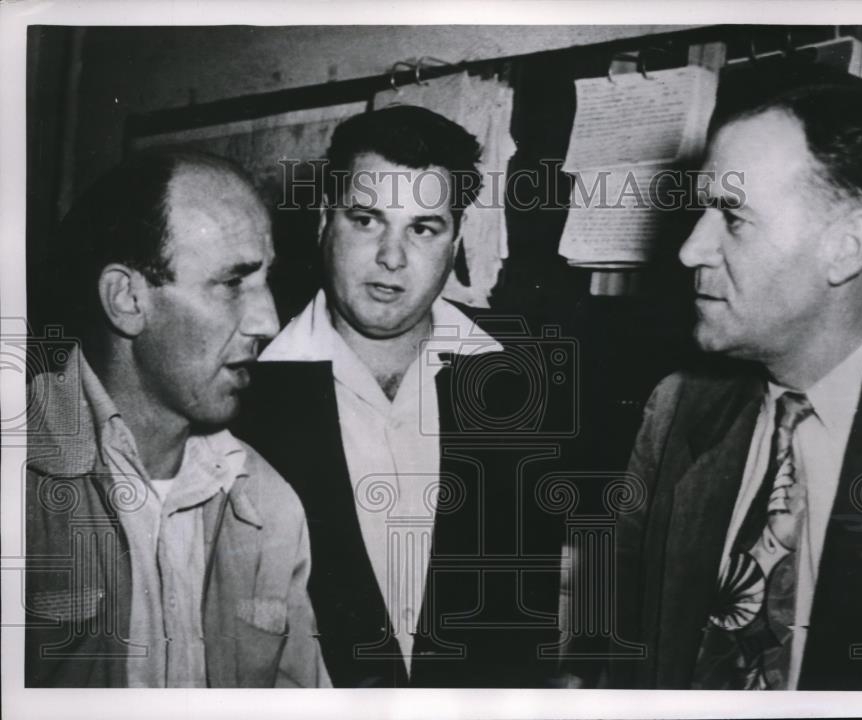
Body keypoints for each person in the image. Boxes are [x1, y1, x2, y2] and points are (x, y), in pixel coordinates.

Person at [609, 71, 862, 690]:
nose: (690, 249)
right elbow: (626, 646)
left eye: (733, 218)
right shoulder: (677, 409)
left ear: (846, 247)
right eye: (701, 210)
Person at [235, 105, 565, 687]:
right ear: (322, 221)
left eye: (422, 227)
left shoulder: (525, 378)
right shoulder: (242, 387)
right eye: (366, 220)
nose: (392, 257)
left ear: (457, 238)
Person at [25, 149, 331, 688]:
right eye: (233, 282)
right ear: (126, 299)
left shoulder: (268, 504)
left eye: (266, 281)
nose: (269, 320)